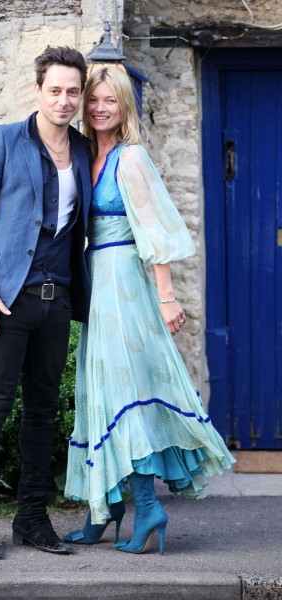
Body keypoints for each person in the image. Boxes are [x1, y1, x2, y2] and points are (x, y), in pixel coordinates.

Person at [63, 66, 235, 554]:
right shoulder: (84, 154)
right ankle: (104, 508)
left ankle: (147, 506)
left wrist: (166, 296)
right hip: (97, 284)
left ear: (124, 107)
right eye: (93, 100)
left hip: (125, 286)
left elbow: (154, 231)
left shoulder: (131, 157)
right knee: (98, 391)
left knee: (125, 393)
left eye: (110, 101)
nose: (100, 108)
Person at [0, 46, 92, 559]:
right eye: (55, 90)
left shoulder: (83, 150)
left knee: (43, 411)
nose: (64, 100)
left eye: (72, 92)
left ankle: (32, 519)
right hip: (6, 301)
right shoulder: (4, 140)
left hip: (56, 302)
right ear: (38, 90)